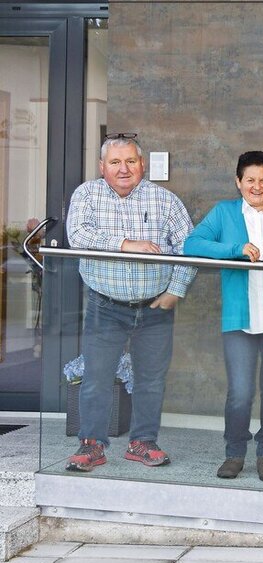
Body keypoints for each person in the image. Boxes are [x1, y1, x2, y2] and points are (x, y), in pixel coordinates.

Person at [65, 133, 196, 472]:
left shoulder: (165, 200)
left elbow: (189, 248)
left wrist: (174, 292)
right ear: (102, 167)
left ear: (143, 164)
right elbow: (77, 234)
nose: (123, 169)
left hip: (155, 307)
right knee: (97, 376)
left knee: (151, 379)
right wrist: (125, 243)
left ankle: (142, 442)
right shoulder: (87, 195)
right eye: (115, 162)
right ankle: (91, 444)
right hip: (104, 305)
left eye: (131, 161)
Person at [183, 151, 263, 482]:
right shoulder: (224, 213)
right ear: (238, 182)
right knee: (239, 391)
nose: (257, 186)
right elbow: (191, 244)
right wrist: (234, 249)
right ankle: (234, 453)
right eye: (250, 180)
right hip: (240, 319)